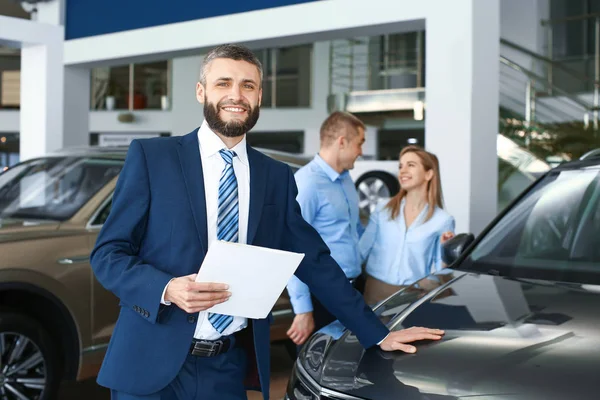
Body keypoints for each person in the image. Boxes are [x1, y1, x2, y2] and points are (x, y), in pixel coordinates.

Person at [90, 44, 444, 400]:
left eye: (247, 86)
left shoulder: (274, 176)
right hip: (149, 365)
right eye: (223, 83)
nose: (235, 95)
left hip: (225, 368)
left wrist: (378, 333)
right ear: (201, 91)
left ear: (259, 96)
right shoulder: (154, 158)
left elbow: (316, 262)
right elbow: (108, 254)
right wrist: (166, 288)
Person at [286, 111, 367, 347]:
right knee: (320, 368)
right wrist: (303, 310)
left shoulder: (346, 179)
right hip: (322, 294)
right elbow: (292, 248)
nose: (361, 152)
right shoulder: (307, 183)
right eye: (359, 143)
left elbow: (354, 232)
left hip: (351, 288)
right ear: (342, 142)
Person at [359, 145, 455, 306]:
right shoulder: (383, 208)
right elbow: (362, 250)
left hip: (411, 296)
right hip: (374, 291)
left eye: (411, 165)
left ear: (429, 174)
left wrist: (446, 251)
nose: (402, 171)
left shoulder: (442, 220)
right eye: (400, 166)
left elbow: (442, 271)